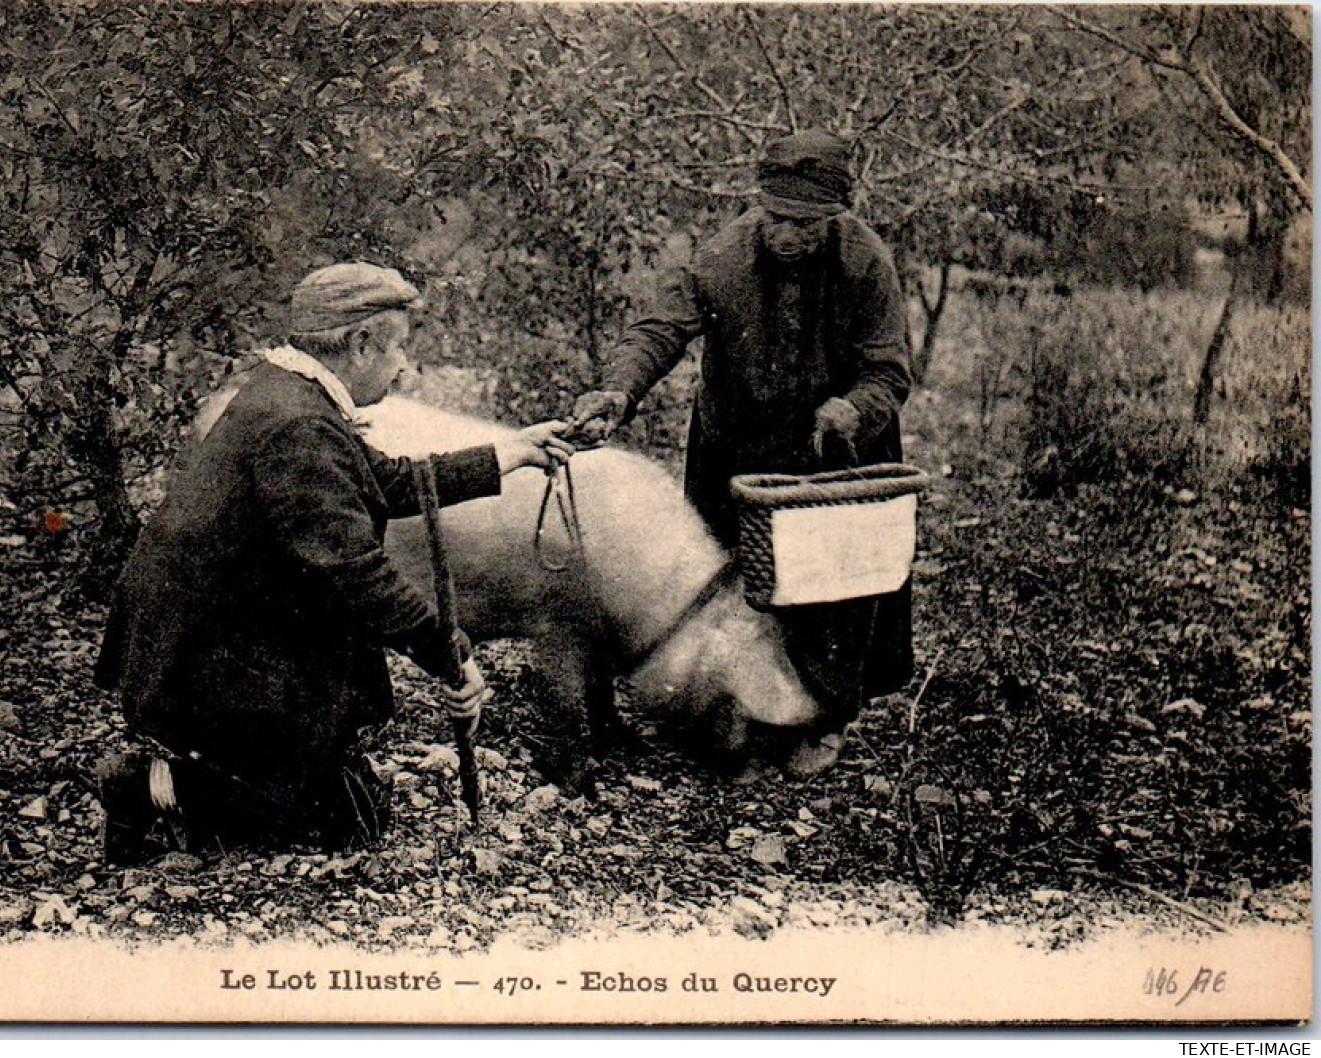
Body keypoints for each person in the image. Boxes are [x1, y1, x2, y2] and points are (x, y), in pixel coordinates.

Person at [94, 262, 571, 865]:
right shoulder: (298, 423)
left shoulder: (293, 396)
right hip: (204, 657)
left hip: (217, 640)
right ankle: (144, 787)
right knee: (325, 818)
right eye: (398, 347)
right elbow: (353, 572)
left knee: (351, 813)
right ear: (361, 342)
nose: (403, 366)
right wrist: (453, 656)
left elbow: (384, 483)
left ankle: (246, 776)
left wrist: (512, 452)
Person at [570, 129, 914, 774]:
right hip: (736, 444)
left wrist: (852, 408)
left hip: (834, 449)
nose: (785, 234)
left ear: (834, 216)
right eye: (774, 217)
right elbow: (660, 327)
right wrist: (618, 390)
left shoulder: (867, 264)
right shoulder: (723, 256)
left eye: (803, 222)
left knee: (830, 588)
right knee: (726, 576)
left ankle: (823, 717)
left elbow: (889, 370)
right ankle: (731, 706)